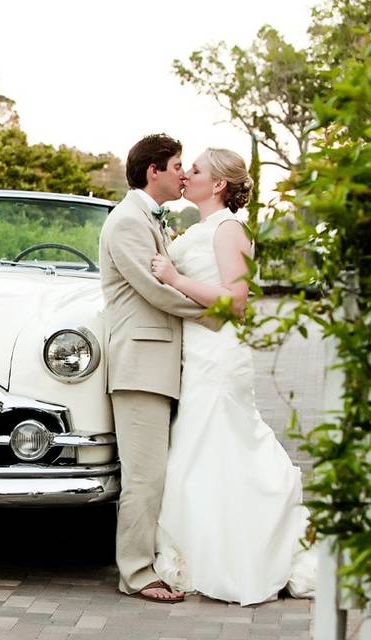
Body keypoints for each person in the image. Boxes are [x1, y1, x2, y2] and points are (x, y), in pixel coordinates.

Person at [149, 148, 316, 605]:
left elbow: (236, 301)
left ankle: (248, 552)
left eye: (197, 170)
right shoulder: (202, 228)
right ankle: (210, 549)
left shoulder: (228, 229)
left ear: (219, 184)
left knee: (222, 444)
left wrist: (176, 279)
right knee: (200, 452)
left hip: (218, 357)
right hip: (196, 352)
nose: (187, 176)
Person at [98, 134, 220, 603]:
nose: (183, 174)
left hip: (160, 361)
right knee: (144, 475)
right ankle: (135, 572)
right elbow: (157, 292)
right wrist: (216, 316)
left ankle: (148, 560)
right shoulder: (127, 221)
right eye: (176, 166)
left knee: (156, 473)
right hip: (140, 362)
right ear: (154, 171)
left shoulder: (149, 218)